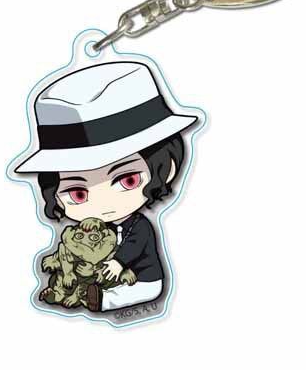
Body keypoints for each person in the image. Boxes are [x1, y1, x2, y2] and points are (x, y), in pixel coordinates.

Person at [11, 61, 197, 312]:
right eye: (78, 194)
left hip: (140, 276)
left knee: (138, 290)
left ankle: (100, 300)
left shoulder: (138, 226)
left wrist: (119, 263)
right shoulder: (87, 231)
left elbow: (136, 246)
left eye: (128, 180)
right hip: (96, 275)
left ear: (167, 168)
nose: (104, 204)